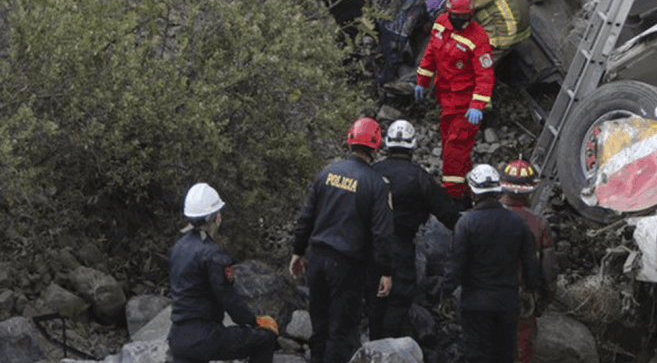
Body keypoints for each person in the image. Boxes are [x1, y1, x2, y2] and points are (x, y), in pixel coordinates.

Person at [290, 117, 396, 363]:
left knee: (319, 324)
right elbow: (382, 233)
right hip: (347, 265)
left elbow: (306, 216)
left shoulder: (327, 173)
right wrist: (385, 270)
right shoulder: (376, 184)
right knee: (342, 330)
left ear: (349, 141)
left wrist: (298, 250)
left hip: (317, 259)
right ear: (377, 146)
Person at [367, 119, 462, 341]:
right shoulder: (420, 177)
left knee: (373, 298)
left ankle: (372, 345)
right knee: (398, 299)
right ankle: (390, 346)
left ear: (387, 145)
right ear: (413, 146)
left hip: (369, 246)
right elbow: (448, 213)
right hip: (401, 247)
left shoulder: (372, 172)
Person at [168, 183, 278, 363]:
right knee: (264, 340)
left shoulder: (178, 248)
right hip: (205, 337)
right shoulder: (213, 254)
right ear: (216, 218)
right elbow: (227, 297)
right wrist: (254, 321)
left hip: (178, 338)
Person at [449, 164, 540, 363]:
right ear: (498, 190)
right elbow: (530, 262)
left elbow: (457, 266)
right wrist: (531, 290)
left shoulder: (466, 223)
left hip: (475, 304)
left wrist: (444, 293)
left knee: (477, 356)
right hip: (507, 303)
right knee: (505, 356)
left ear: (473, 192)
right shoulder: (518, 222)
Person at [413, 0, 496, 199]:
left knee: (454, 148)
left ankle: (453, 195)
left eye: (465, 16)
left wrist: (477, 106)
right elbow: (431, 53)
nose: (461, 20)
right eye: (457, 16)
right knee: (452, 144)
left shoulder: (478, 39)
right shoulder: (441, 23)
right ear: (449, 12)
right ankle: (469, 189)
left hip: (465, 105)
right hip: (446, 98)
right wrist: (422, 81)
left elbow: (485, 76)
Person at [500, 159, 557, 363]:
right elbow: (548, 271)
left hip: (486, 295)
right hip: (522, 299)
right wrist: (546, 298)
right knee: (522, 349)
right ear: (530, 190)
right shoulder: (539, 224)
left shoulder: (482, 218)